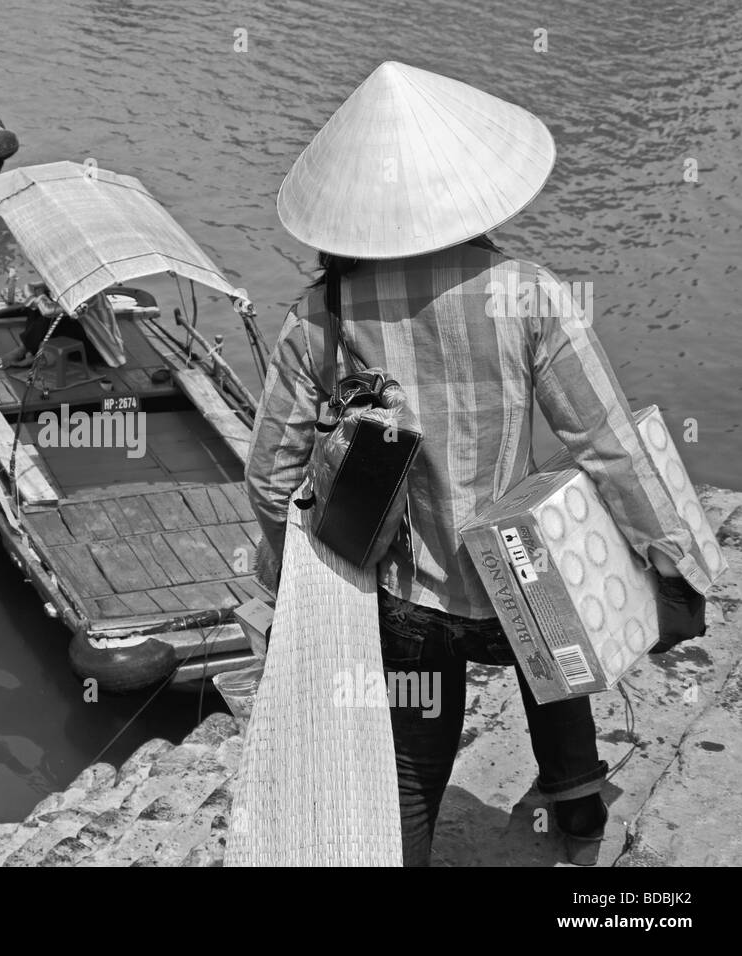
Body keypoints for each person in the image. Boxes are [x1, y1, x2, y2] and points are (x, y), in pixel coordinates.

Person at [245, 61, 713, 866]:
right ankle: (581, 831)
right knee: (554, 659)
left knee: (413, 763)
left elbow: (269, 474)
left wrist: (281, 570)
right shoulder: (526, 293)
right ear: (469, 191)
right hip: (520, 579)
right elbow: (609, 448)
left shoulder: (322, 313)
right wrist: (669, 562)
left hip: (404, 602)